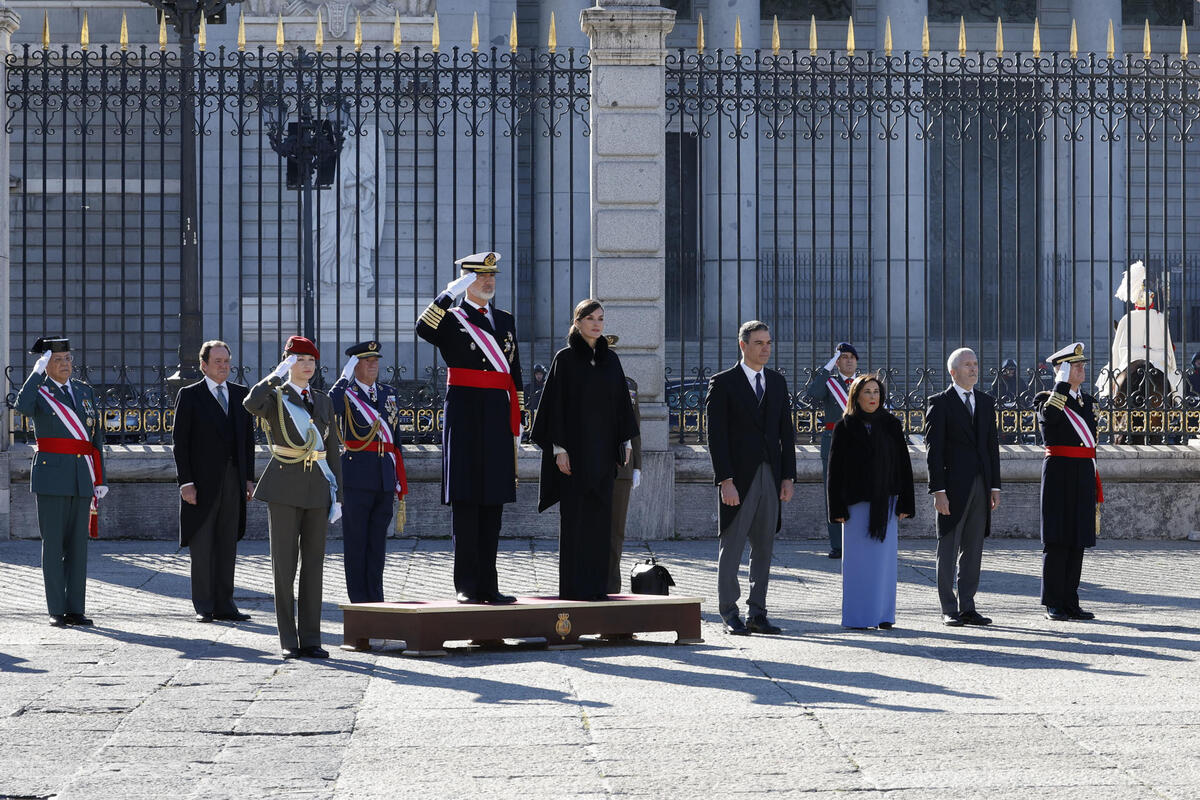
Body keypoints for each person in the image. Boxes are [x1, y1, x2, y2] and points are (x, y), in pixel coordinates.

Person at [415, 251, 524, 604]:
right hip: (464, 412)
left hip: (496, 413)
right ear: (466, 280)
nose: (488, 281)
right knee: (466, 500)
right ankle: (466, 583)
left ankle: (489, 585)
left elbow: (514, 373)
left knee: (493, 500)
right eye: (480, 277)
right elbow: (423, 328)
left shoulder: (505, 320)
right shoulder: (451, 317)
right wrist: (449, 294)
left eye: (492, 276)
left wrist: (518, 417)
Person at [243, 336, 344, 659]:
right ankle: (289, 639)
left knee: (313, 564)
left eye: (311, 360)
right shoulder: (275, 396)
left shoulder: (323, 400)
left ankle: (311, 637)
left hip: (317, 486)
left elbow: (331, 451)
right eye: (300, 359)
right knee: (284, 567)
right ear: (288, 362)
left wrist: (337, 494)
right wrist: (276, 374)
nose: (307, 365)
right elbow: (250, 403)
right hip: (285, 485)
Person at [532, 300, 638, 601]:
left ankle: (597, 590)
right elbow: (554, 408)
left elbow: (621, 406)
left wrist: (625, 442)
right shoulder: (564, 359)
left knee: (601, 521)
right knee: (576, 522)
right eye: (590, 318)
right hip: (574, 456)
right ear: (577, 322)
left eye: (601, 319)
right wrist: (559, 449)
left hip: (604, 454)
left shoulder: (610, 360)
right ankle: (574, 591)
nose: (596, 324)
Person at [705, 320, 797, 636]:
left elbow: (787, 432)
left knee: (764, 547)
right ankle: (729, 612)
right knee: (731, 547)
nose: (766, 348)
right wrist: (725, 480)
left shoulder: (777, 382)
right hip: (738, 479)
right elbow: (716, 437)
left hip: (770, 476)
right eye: (759, 343)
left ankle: (758, 612)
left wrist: (788, 477)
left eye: (769, 343)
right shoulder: (723, 383)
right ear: (743, 345)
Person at [14, 337, 107, 628]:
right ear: (47, 364)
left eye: (67, 358)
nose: (65, 364)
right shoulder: (39, 391)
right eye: (58, 360)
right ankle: (57, 608)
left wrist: (100, 477)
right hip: (52, 475)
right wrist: (36, 372)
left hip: (82, 476)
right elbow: (22, 406)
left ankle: (75, 609)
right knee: (53, 544)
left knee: (78, 545)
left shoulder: (83, 391)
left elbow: (95, 438)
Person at [172, 340, 256, 624]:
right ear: (204, 365)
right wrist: (186, 482)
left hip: (233, 479)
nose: (223, 366)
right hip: (202, 482)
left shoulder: (241, 395)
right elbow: (180, 444)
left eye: (227, 361)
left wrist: (248, 478)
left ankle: (225, 603)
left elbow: (247, 441)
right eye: (217, 361)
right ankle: (204, 604)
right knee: (203, 542)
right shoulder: (190, 395)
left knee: (226, 542)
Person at [827, 373, 915, 630]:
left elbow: (903, 465)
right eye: (867, 392)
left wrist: (905, 503)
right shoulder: (845, 426)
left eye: (876, 392)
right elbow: (835, 470)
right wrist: (836, 508)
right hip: (855, 505)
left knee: (883, 566)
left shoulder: (891, 424)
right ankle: (857, 618)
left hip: (885, 505)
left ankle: (883, 616)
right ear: (856, 396)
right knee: (858, 567)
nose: (873, 397)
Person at [925, 348, 1001, 627]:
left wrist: (995, 486)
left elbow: (991, 447)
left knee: (973, 548)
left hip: (980, 485)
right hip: (952, 487)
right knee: (948, 547)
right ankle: (949, 608)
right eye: (967, 364)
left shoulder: (984, 401)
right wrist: (938, 491)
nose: (974, 368)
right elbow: (934, 451)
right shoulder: (940, 403)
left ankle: (968, 605)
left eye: (976, 364)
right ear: (953, 372)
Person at [330, 340, 408, 604]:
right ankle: (359, 603)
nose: (373, 365)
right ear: (355, 365)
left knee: (377, 545)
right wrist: (343, 377)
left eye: (376, 360)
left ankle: (376, 600)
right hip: (356, 476)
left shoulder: (389, 392)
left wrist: (398, 476)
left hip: (384, 476)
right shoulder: (346, 393)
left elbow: (395, 439)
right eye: (366, 361)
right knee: (356, 543)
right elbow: (330, 408)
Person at [1035, 342, 1101, 622]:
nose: (1082, 369)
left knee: (1078, 538)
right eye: (1075, 366)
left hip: (1083, 471)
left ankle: (1071, 600)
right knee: (1057, 538)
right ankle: (1053, 601)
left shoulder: (1089, 401)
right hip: (1059, 472)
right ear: (1061, 370)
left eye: (1082, 365)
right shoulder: (1046, 399)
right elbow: (1049, 421)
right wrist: (1061, 386)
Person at [805, 342, 858, 558]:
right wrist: (827, 368)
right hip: (834, 443)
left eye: (851, 357)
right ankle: (838, 545)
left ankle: (858, 541)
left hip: (859, 445)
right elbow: (812, 394)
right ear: (837, 362)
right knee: (834, 494)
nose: (848, 360)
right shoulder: (830, 383)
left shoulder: (864, 383)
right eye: (843, 357)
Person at [610, 371, 642, 594]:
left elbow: (635, 428)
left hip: (622, 467)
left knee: (615, 532)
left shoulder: (628, 385)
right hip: (591, 466)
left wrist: (638, 466)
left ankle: (611, 585)